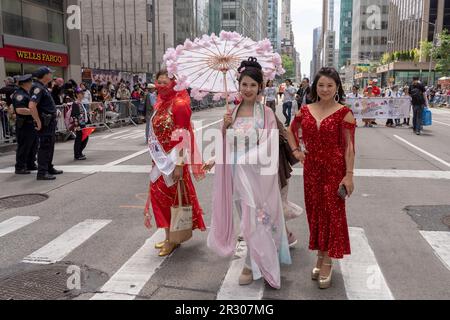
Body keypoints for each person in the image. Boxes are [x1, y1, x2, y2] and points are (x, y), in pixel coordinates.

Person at [205, 57, 291, 289]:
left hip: (257, 175)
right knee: (245, 218)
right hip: (235, 174)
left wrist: (247, 159)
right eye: (244, 84)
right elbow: (227, 144)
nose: (248, 89)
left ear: (260, 87)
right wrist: (224, 129)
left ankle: (251, 263)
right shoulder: (231, 112)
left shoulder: (267, 114)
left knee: (258, 219)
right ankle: (252, 258)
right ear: (238, 85)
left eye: (253, 85)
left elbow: (269, 145)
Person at [287, 67, 356, 289]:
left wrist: (349, 175)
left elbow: (349, 148)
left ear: (337, 87)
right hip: (312, 169)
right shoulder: (305, 110)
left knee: (332, 215)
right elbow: (291, 131)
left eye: (330, 85)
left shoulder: (344, 112)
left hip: (335, 170)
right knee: (316, 213)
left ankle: (327, 261)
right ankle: (319, 255)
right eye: (321, 85)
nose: (325, 89)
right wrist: (297, 151)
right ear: (314, 87)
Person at [143, 69, 206, 257]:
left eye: (165, 82)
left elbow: (183, 136)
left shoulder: (179, 105)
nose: (161, 86)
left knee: (172, 200)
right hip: (160, 161)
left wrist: (179, 164)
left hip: (174, 161)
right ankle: (169, 236)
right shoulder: (160, 104)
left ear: (174, 84)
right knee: (159, 198)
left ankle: (173, 239)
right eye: (158, 82)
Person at [28, 67, 64, 181]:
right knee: (45, 147)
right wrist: (37, 121)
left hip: (49, 122)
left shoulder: (43, 87)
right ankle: (42, 172)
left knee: (50, 146)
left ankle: (48, 167)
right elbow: (31, 106)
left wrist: (54, 111)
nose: (51, 75)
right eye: (50, 73)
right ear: (44, 75)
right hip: (45, 123)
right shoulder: (37, 88)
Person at [12, 75, 38, 175]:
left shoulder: (27, 93)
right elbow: (20, 110)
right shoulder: (20, 95)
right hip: (24, 125)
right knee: (24, 146)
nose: (32, 84)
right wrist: (35, 112)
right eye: (30, 82)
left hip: (31, 124)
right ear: (25, 83)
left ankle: (30, 163)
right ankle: (20, 167)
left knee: (33, 145)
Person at [71, 87, 90, 160]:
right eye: (81, 93)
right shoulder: (75, 103)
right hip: (79, 124)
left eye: (83, 93)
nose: (82, 94)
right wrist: (77, 125)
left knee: (84, 138)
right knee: (79, 139)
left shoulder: (80, 103)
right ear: (77, 94)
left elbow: (82, 113)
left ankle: (79, 152)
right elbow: (75, 115)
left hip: (82, 123)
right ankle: (77, 154)